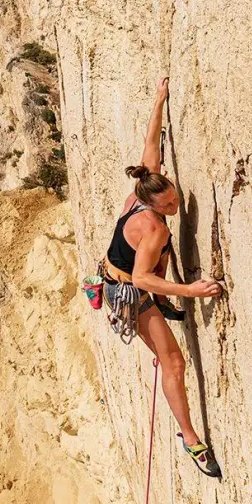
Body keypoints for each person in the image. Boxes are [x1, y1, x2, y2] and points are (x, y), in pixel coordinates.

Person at [103, 77, 223, 477]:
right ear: (151, 204)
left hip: (118, 274)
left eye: (174, 197)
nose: (175, 205)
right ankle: (191, 440)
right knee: (173, 363)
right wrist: (190, 290)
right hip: (129, 293)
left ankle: (163, 304)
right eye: (168, 204)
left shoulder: (143, 188)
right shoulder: (153, 227)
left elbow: (150, 146)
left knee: (160, 264)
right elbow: (142, 280)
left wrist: (159, 100)